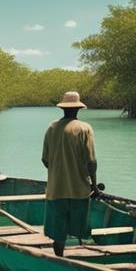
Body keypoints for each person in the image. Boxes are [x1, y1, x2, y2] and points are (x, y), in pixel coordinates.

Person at [42, 91, 98, 257]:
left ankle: (59, 258)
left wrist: (58, 173)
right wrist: (94, 186)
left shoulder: (51, 128)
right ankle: (83, 256)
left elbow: (45, 160)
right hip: (79, 190)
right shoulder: (85, 128)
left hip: (55, 190)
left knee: (58, 233)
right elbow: (91, 162)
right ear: (78, 109)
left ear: (63, 109)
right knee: (80, 228)